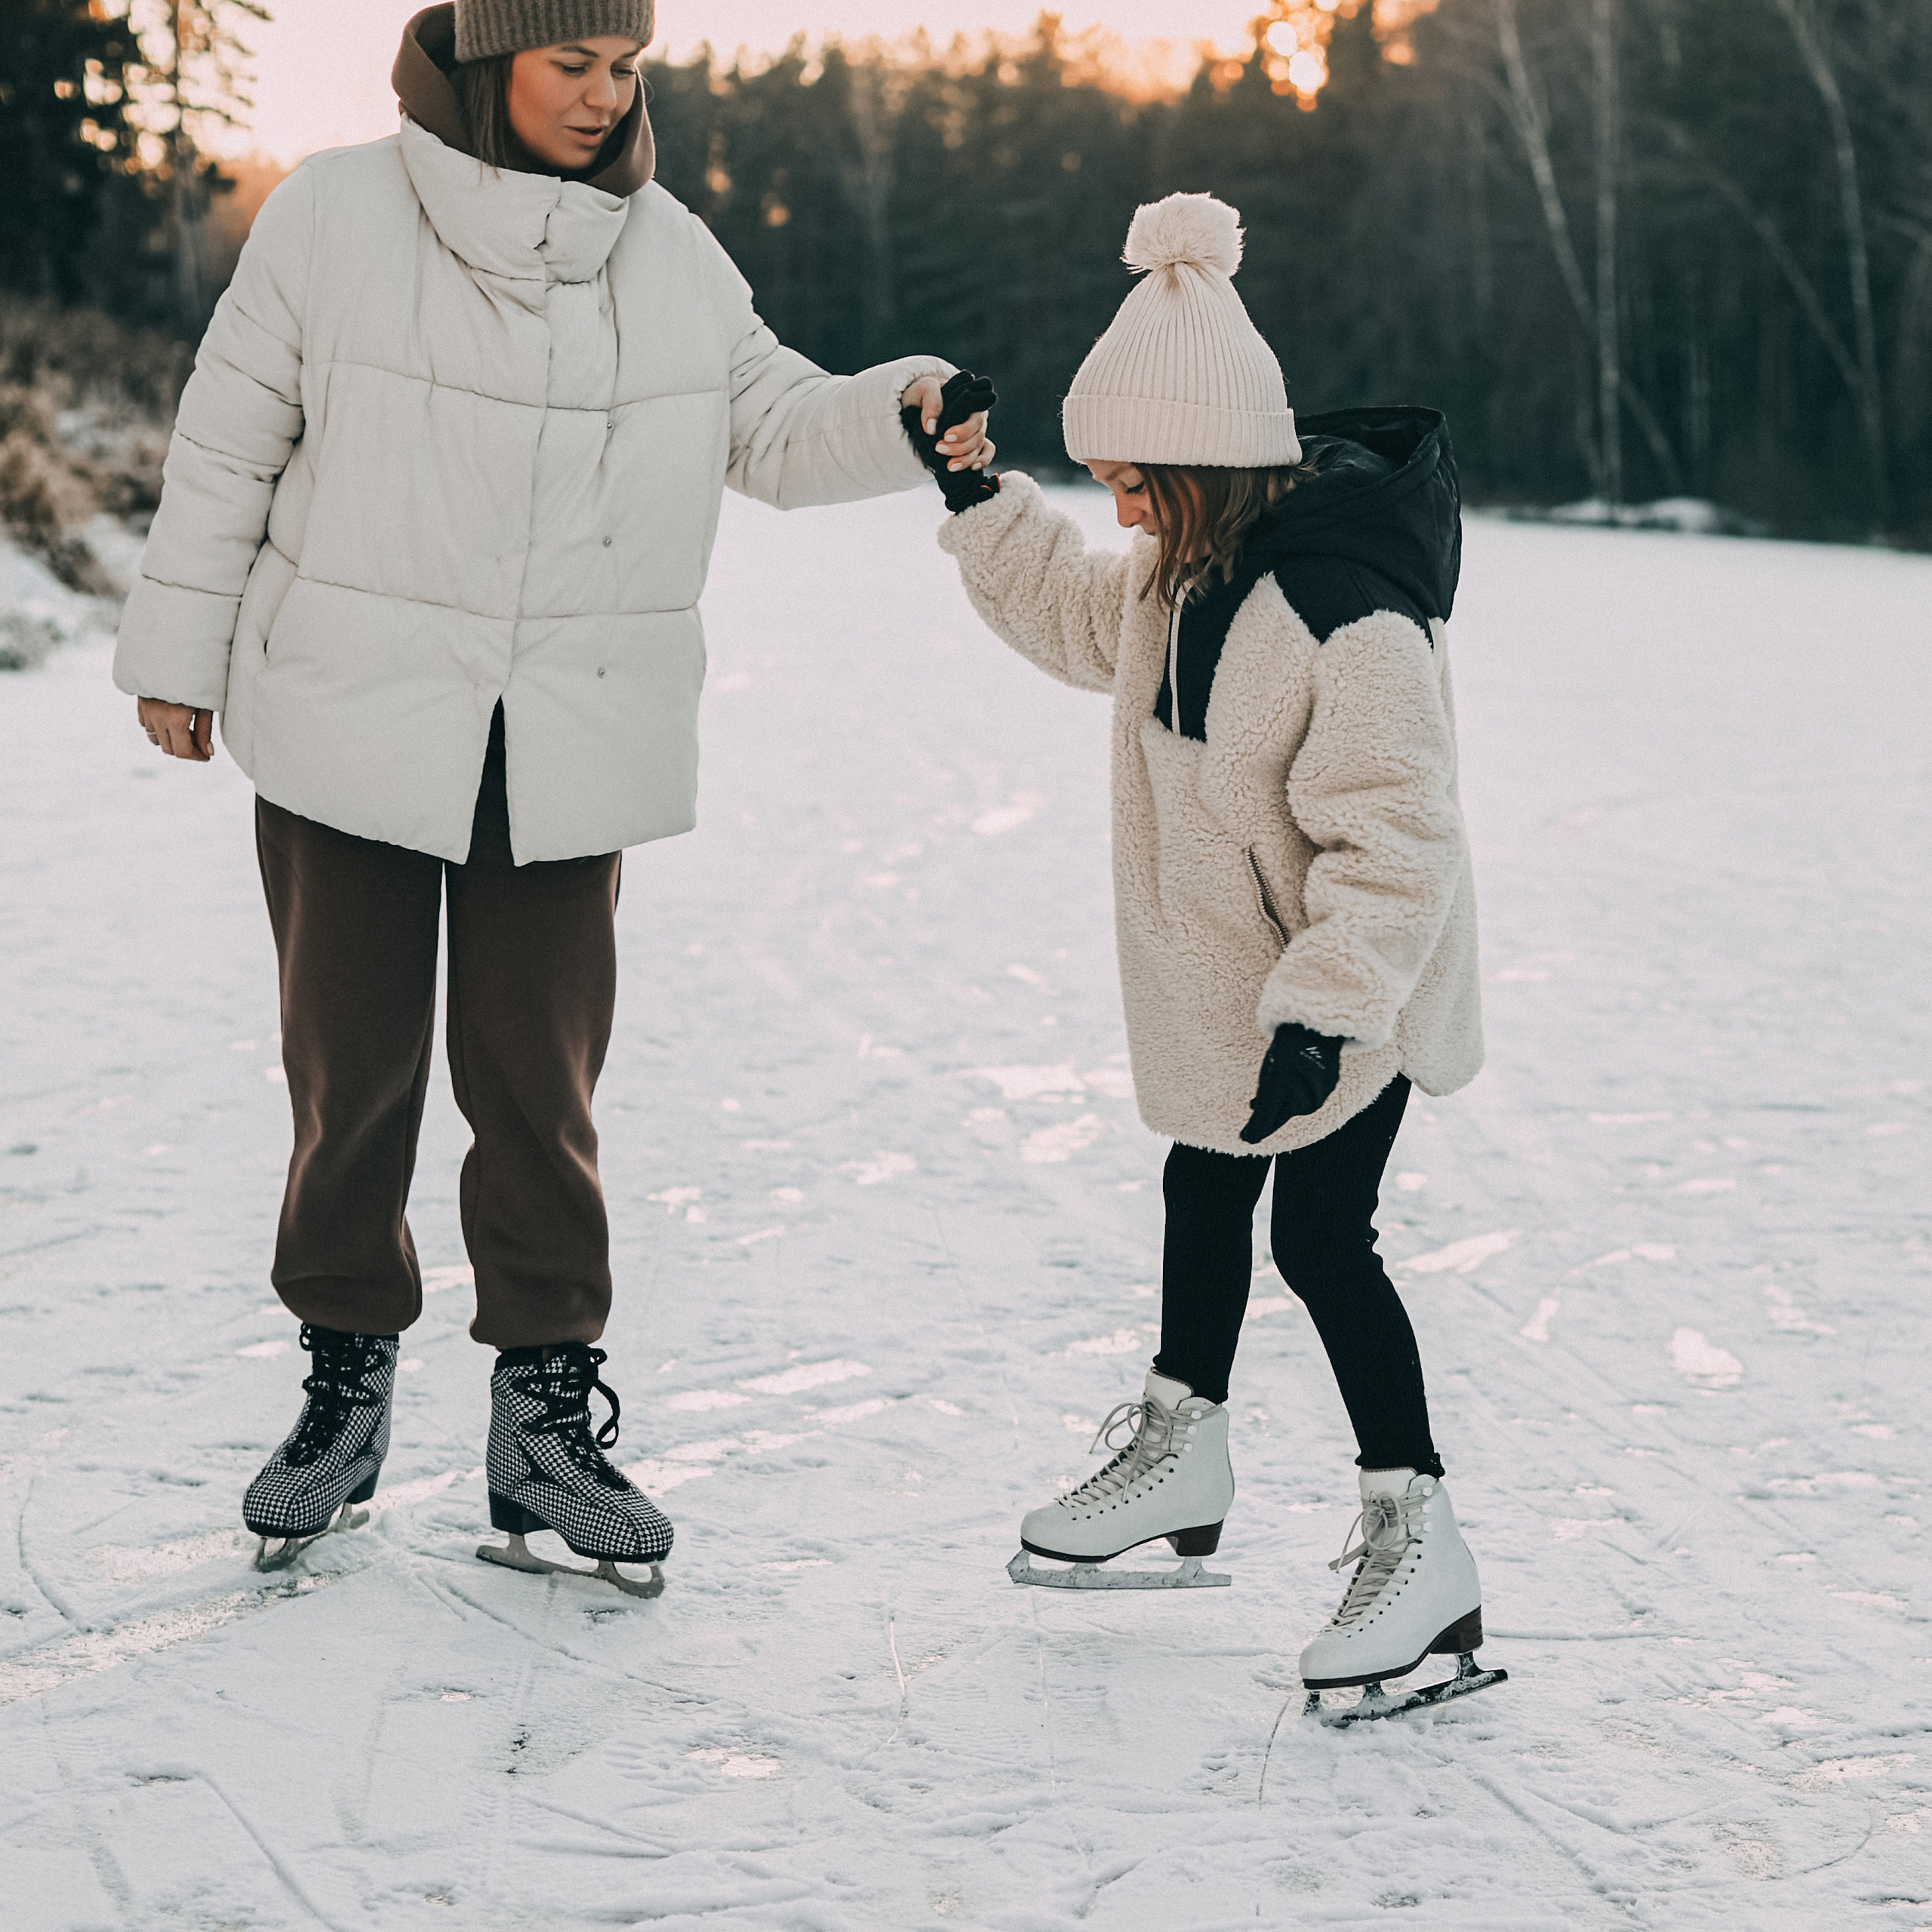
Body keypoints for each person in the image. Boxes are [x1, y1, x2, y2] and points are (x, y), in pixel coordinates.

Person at [114, 0, 994, 1588]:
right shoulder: (333, 214)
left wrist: (901, 409)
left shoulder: (669, 254)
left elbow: (773, 424)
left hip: (563, 736)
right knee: (351, 1072)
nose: (602, 97)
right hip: (349, 712)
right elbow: (228, 441)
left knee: (539, 1085)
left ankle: (542, 1426)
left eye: (623, 69)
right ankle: (342, 1391)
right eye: (569, 64)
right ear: (483, 61)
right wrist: (179, 652)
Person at [915, 193, 1491, 1702]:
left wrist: (1323, 1010)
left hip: (1350, 987)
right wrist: (978, 495)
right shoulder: (1187, 568)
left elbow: (1398, 846)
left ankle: (1420, 1548)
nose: (1115, 513)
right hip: (1241, 983)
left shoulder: (1347, 612)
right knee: (1203, 1173)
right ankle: (1184, 1447)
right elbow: (1079, 621)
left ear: (1200, 462)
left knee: (1320, 1242)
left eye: (1129, 483)